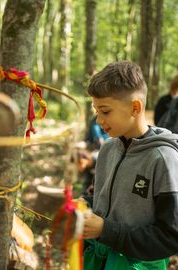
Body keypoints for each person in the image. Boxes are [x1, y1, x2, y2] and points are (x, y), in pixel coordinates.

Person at [52, 61, 178, 269]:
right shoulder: (108, 149)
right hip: (97, 260)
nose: (99, 120)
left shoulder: (163, 158)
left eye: (105, 111)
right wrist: (84, 204)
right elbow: (107, 200)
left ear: (135, 107)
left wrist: (106, 230)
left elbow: (170, 236)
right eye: (96, 111)